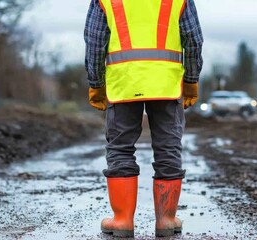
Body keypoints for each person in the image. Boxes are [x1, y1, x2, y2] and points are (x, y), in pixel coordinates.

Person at [84, 0, 203, 237]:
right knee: (168, 147)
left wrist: (96, 83)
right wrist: (191, 79)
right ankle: (167, 220)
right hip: (166, 84)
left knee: (120, 148)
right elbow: (193, 39)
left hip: (123, 83)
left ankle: (122, 220)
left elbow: (95, 41)